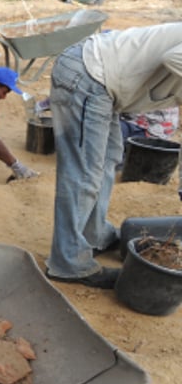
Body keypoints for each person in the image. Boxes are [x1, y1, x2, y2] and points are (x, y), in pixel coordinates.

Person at [47, 24, 182, 289]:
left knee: (106, 163)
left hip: (104, 84)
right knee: (83, 173)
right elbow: (173, 58)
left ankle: (95, 235)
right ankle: (68, 263)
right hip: (89, 75)